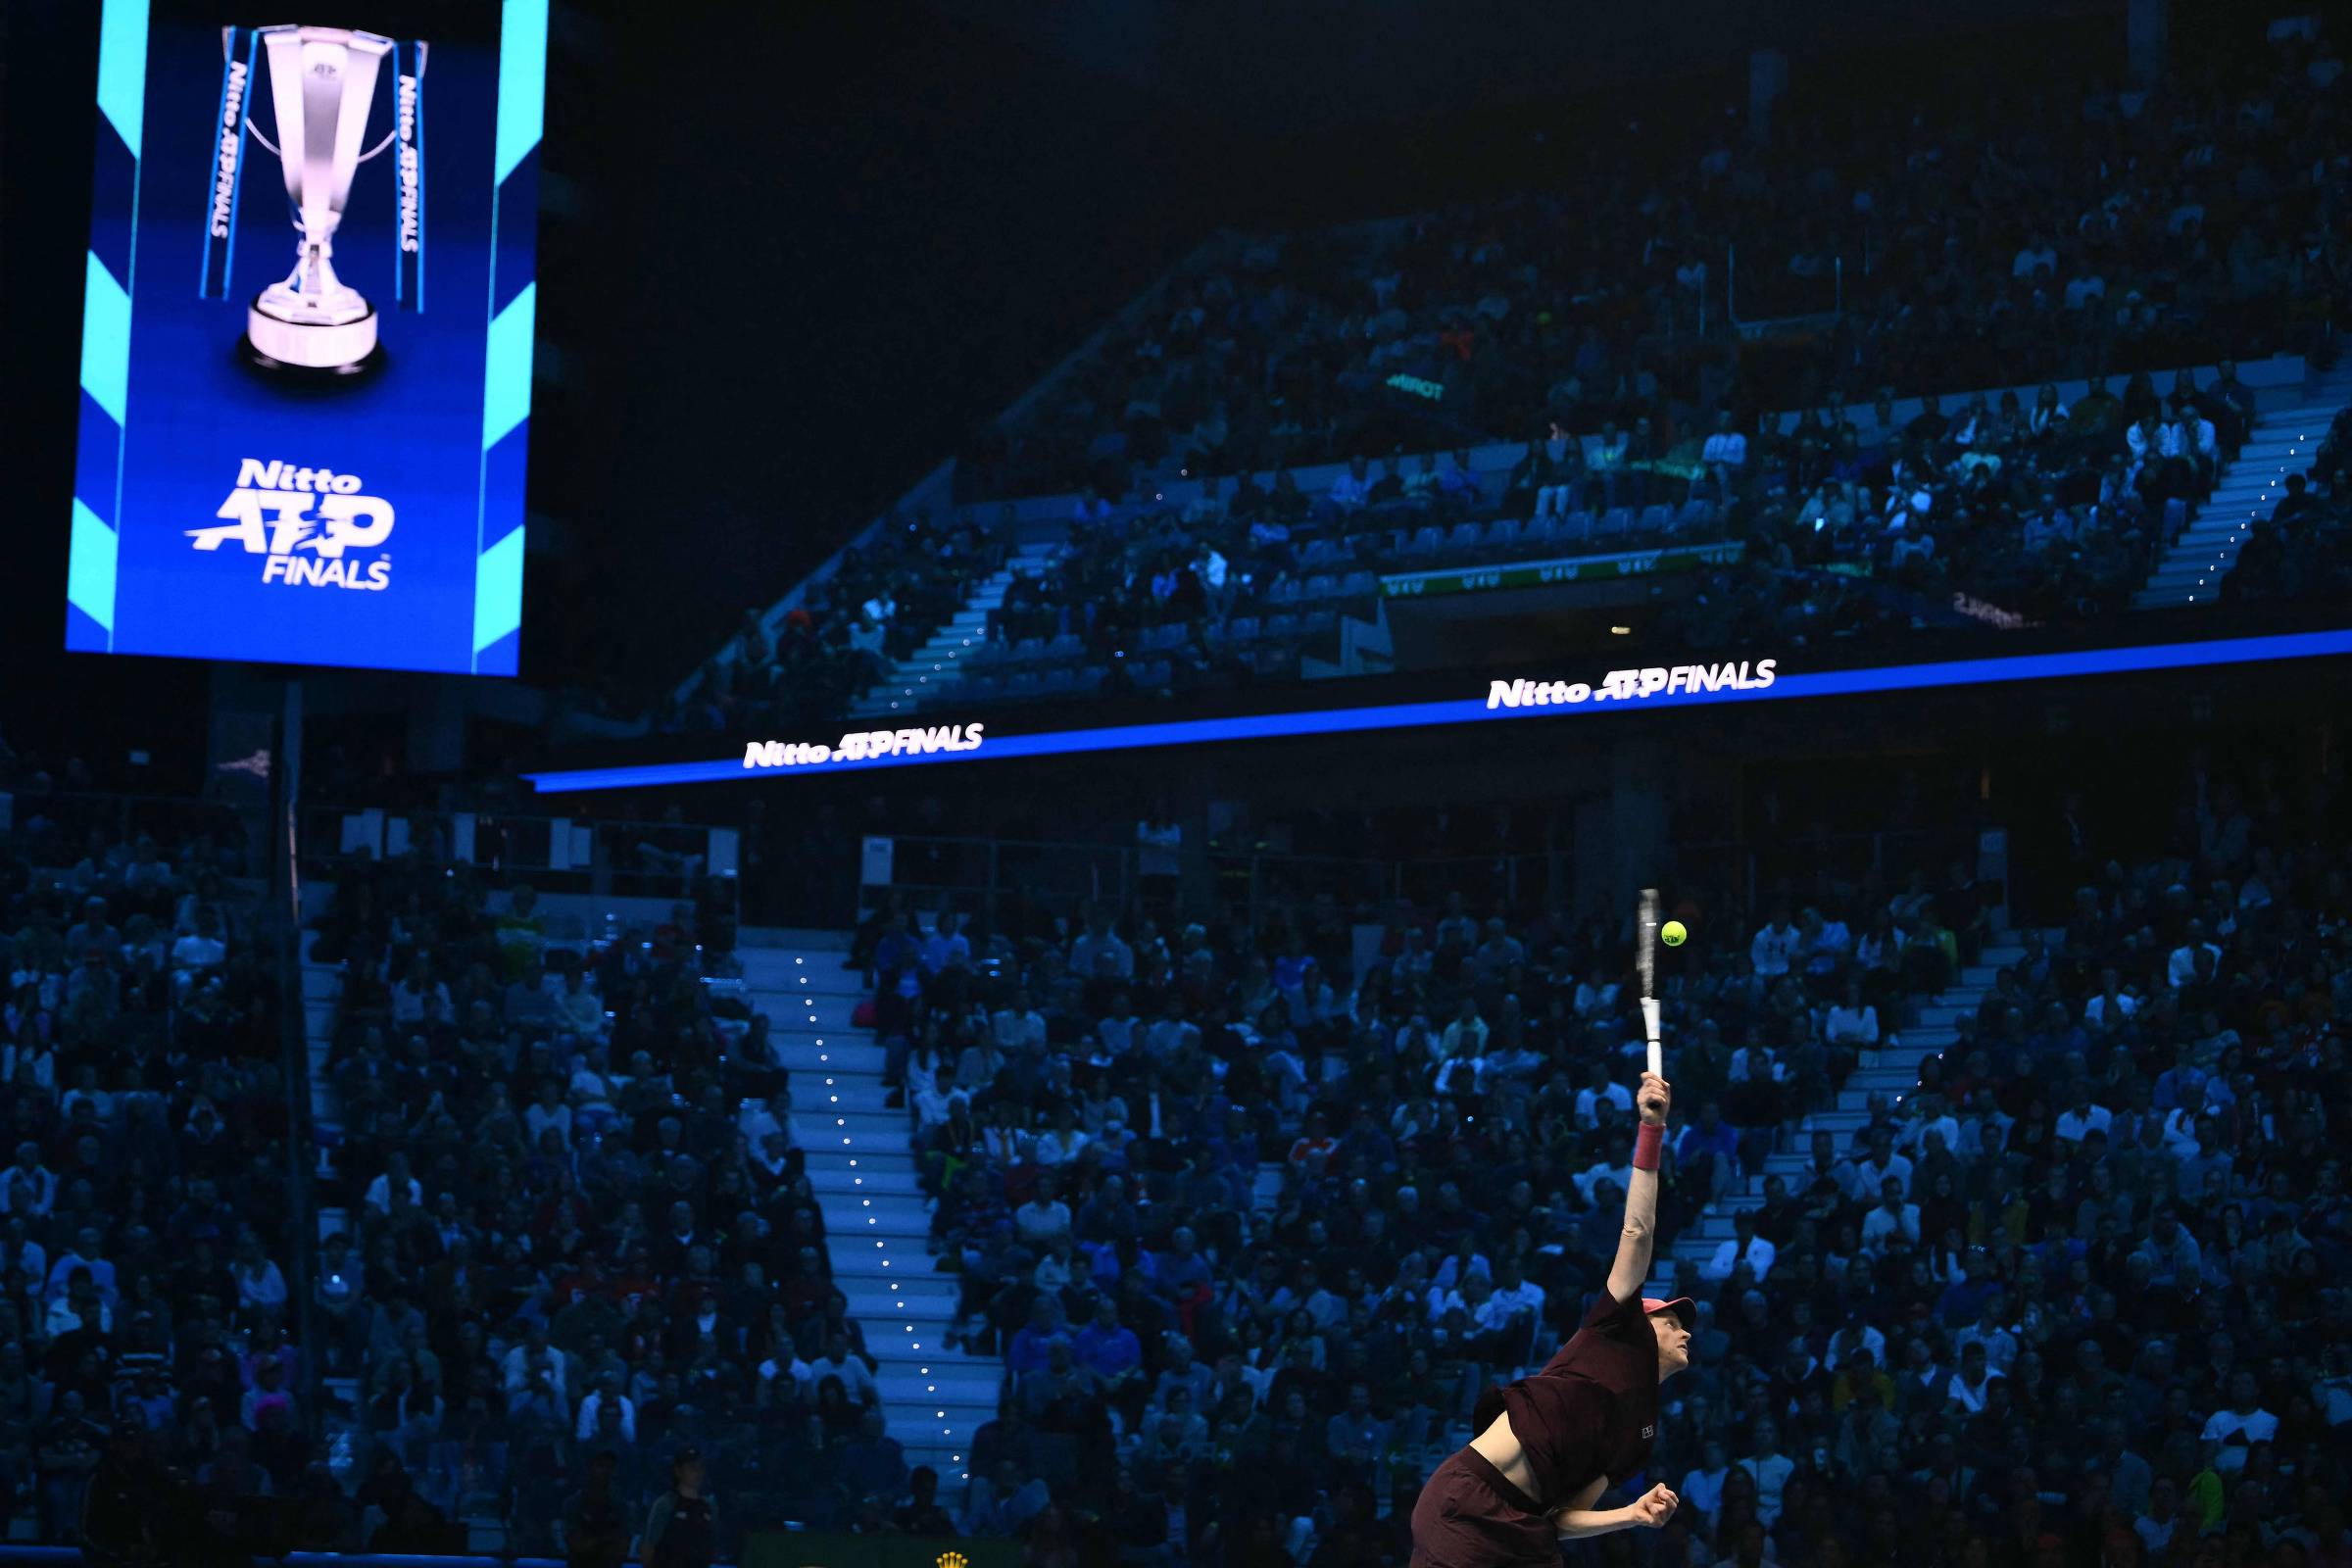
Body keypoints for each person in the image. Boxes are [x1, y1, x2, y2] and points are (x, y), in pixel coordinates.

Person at [1409, 1071, 1690, 1564]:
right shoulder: (1614, 1330)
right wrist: (1652, 1130)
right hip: (1468, 1502)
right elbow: (1637, 1233)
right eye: (1670, 1319)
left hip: (1526, 1529)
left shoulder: (1640, 1432)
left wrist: (1632, 1514)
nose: (1684, 1330)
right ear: (1641, 1323)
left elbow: (1561, 1517)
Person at [641, 1447, 718, 1568]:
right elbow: (649, 1545)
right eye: (692, 1467)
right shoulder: (665, 1503)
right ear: (678, 1471)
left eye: (700, 1467)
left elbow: (712, 1544)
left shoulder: (709, 1506)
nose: (697, 1472)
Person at [559, 1449, 633, 1568]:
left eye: (610, 1467)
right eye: (600, 1466)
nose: (605, 1471)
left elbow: (622, 1549)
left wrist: (594, 1541)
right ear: (589, 1469)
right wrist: (607, 1540)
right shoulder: (573, 1504)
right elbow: (577, 1544)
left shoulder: (621, 1506)